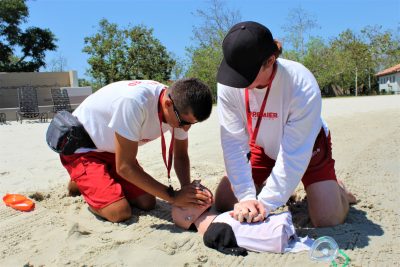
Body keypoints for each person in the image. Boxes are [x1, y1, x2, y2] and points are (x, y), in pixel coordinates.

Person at [215, 21, 356, 227]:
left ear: (270, 60)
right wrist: (246, 197)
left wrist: (265, 204)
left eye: (244, 75)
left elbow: (293, 156)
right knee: (225, 200)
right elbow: (234, 143)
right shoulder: (230, 80)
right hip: (262, 144)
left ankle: (339, 190)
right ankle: (271, 186)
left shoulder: (301, 84)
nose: (235, 81)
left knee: (327, 219)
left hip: (307, 148)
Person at [60, 78, 213, 223]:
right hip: (82, 149)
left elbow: (180, 155)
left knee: (147, 202)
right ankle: (80, 180)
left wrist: (187, 190)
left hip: (113, 150)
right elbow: (125, 167)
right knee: (119, 211)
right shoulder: (134, 102)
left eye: (192, 123)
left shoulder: (179, 108)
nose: (186, 128)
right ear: (167, 104)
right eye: (184, 122)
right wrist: (173, 197)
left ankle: (98, 178)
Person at [171, 181, 299, 255]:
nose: (188, 194)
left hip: (278, 230)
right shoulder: (211, 232)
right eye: (182, 205)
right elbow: (225, 242)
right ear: (188, 218)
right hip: (277, 234)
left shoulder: (220, 215)